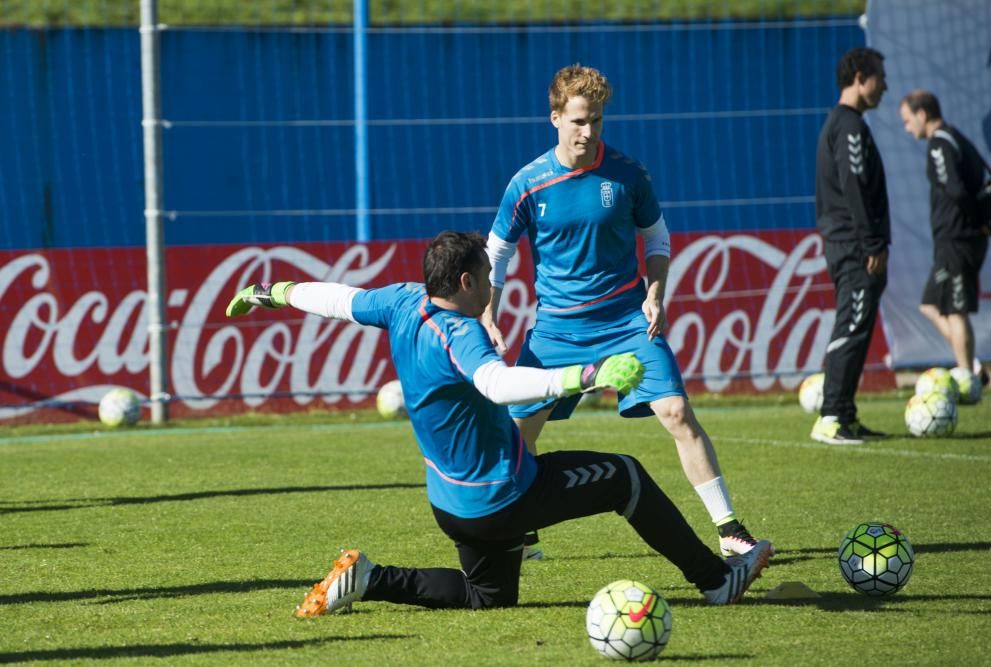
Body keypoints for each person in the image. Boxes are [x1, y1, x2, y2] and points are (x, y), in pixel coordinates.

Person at [225, 231, 771, 617]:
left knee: (488, 598)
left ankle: (370, 579)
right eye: (488, 274)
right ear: (466, 280)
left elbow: (337, 299)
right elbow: (498, 385)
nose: (494, 283)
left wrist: (269, 293)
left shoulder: (401, 302)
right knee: (624, 476)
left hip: (451, 506)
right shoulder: (461, 332)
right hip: (502, 498)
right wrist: (589, 374)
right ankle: (718, 580)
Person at [480, 64, 764, 558]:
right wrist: (489, 313)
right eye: (578, 121)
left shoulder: (629, 174)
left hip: (627, 321)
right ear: (555, 119)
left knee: (677, 412)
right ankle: (517, 534)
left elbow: (656, 237)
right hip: (557, 331)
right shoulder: (527, 183)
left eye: (596, 121)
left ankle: (730, 529)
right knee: (518, 431)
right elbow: (497, 251)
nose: (588, 132)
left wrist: (655, 292)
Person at [811, 47, 891, 445]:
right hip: (855, 246)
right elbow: (855, 186)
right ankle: (830, 416)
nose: (885, 86)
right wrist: (872, 241)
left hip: (852, 242)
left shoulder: (845, 123)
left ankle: (845, 414)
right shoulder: (849, 127)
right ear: (860, 76)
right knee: (851, 325)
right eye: (880, 77)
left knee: (858, 328)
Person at [899, 89, 991, 390]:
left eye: (907, 120)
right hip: (958, 239)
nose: (907, 127)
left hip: (957, 239)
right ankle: (972, 367)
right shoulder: (956, 137)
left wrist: (977, 223)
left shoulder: (940, 144)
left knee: (955, 309)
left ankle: (967, 378)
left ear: (922, 114)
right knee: (930, 304)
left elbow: (954, 189)